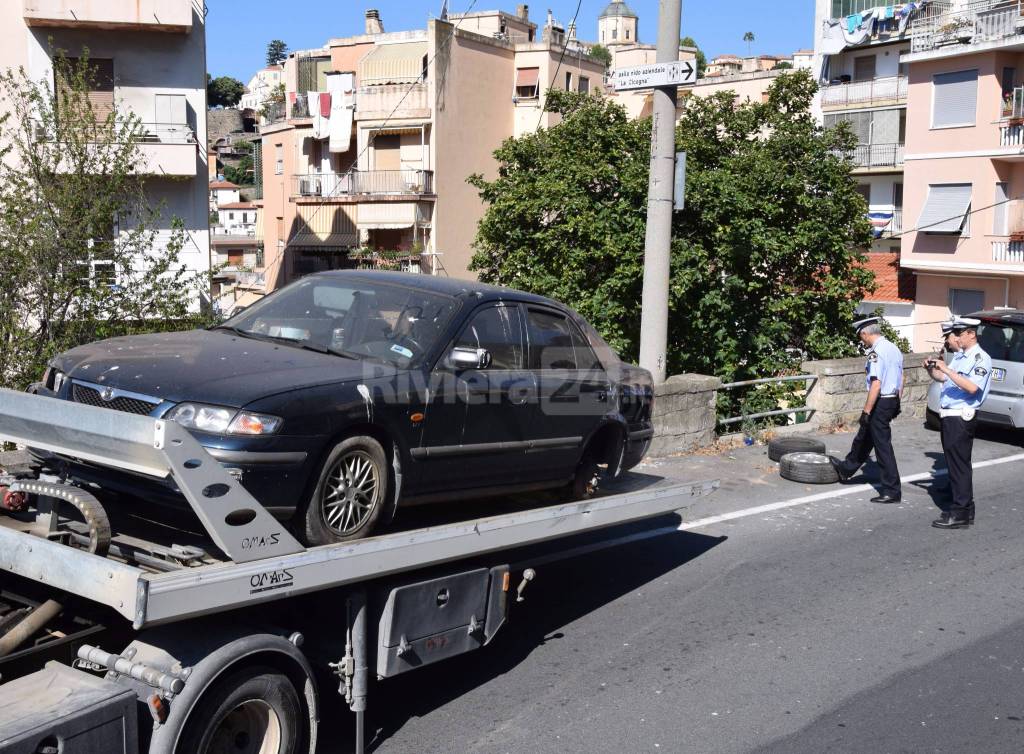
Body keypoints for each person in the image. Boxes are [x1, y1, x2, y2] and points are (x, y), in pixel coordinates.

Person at [924, 317, 993, 529]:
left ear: (971, 334)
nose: (956, 338)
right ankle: (966, 509)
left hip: (961, 416)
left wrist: (946, 369)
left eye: (960, 334)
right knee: (955, 465)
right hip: (949, 414)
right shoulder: (962, 357)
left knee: (959, 466)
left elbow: (972, 387)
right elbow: (945, 379)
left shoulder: (981, 358)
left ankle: (960, 513)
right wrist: (932, 369)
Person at [833, 317, 904, 503]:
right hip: (891, 399)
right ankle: (846, 468)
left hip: (880, 401)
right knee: (865, 436)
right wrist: (898, 402)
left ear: (865, 333)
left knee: (882, 447)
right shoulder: (893, 348)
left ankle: (892, 490)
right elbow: (901, 378)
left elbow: (876, 384)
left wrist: (866, 411)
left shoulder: (876, 352)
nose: (861, 340)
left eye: (861, 337)